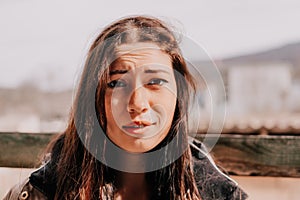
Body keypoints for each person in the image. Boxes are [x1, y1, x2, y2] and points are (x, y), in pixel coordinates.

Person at [3, 16, 247, 200]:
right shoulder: (39, 192)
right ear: (94, 98)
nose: (137, 104)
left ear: (179, 95)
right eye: (117, 83)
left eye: (156, 82)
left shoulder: (217, 194)